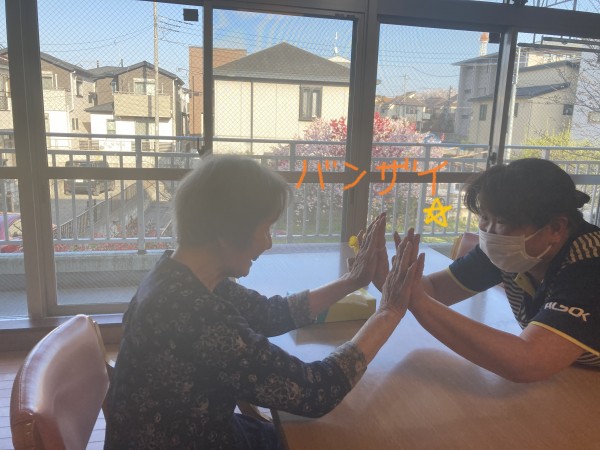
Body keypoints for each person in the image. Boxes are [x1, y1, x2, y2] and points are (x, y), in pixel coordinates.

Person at [104, 155, 424, 449]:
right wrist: (390, 311)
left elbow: (270, 314)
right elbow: (314, 392)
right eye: (266, 228)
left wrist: (351, 281)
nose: (269, 242)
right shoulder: (197, 316)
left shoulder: (177, 277)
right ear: (227, 232)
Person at [377, 158, 600, 382]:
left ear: (556, 228)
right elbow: (436, 289)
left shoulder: (589, 265)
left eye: (502, 221)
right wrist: (387, 276)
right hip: (569, 375)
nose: (489, 232)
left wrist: (419, 301)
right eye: (485, 217)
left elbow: (529, 360)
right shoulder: (507, 250)